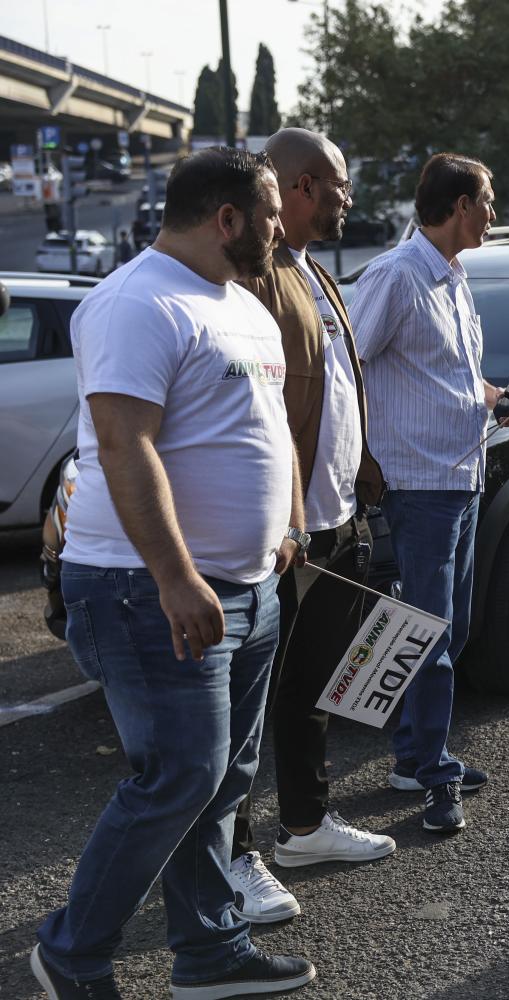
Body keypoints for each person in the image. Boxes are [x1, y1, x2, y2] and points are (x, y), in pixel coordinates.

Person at [31, 148, 316, 999]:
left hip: (250, 586)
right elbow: (124, 444)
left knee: (222, 777)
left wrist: (289, 523)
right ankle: (72, 954)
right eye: (268, 215)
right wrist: (176, 575)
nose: (279, 229)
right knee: (180, 776)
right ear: (225, 218)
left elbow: (263, 423)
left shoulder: (242, 305)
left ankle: (211, 951)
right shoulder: (135, 301)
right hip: (145, 588)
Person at [225, 128, 395, 925]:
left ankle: (304, 826)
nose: (346, 200)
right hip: (280, 533)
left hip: (335, 522)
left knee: (310, 688)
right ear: (296, 186)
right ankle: (234, 857)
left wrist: (362, 486)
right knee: (246, 707)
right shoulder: (252, 278)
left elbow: (337, 391)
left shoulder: (317, 274)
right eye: (336, 186)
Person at [350, 152, 509, 834]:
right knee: (430, 636)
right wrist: (361, 457)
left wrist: (499, 399)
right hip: (417, 483)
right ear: (458, 205)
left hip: (461, 473)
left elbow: (452, 376)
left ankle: (417, 755)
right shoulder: (395, 275)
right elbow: (347, 367)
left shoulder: (453, 277)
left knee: (453, 627)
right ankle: (434, 776)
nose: (494, 214)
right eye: (488, 201)